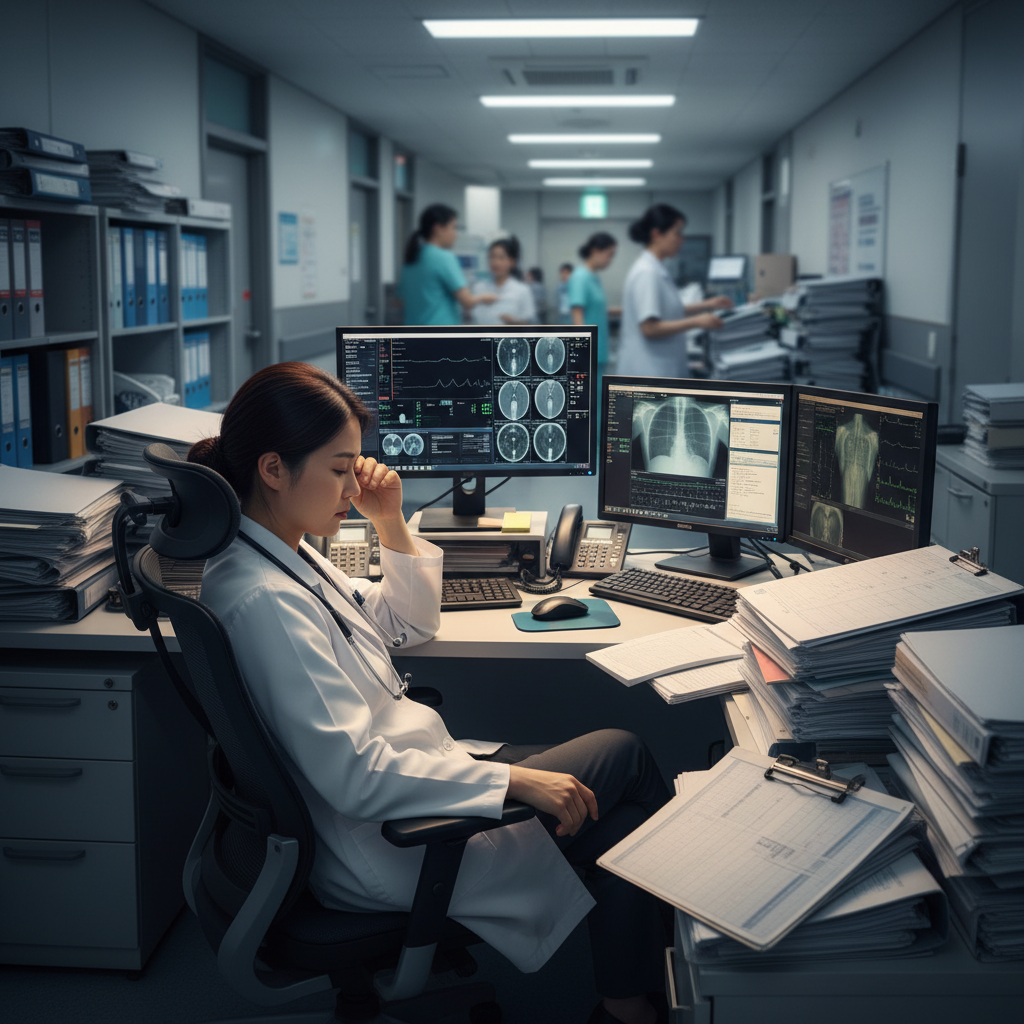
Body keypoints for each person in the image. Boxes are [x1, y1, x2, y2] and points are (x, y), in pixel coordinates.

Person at [188, 362, 671, 1024]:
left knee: (621, 819)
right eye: (338, 468)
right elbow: (353, 776)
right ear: (273, 469)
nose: (352, 484)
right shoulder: (264, 599)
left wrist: (388, 520)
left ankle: (627, 1006)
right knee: (627, 755)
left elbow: (404, 623)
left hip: (398, 792)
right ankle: (637, 1004)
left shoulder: (278, 552)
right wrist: (512, 784)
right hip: (390, 837)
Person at [618, 205, 734, 378]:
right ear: (657, 234)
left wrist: (708, 304)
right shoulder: (647, 273)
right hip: (649, 370)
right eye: (677, 233)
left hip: (658, 366)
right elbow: (650, 328)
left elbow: (666, 311)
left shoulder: (656, 269)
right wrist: (697, 321)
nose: (682, 240)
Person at [398, 204, 496, 325]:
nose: (456, 234)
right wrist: (485, 297)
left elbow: (400, 301)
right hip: (439, 334)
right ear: (438, 228)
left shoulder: (412, 257)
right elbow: (467, 302)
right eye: (453, 227)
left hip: (413, 335)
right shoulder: (443, 257)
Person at [569, 233, 619, 376]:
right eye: (609, 255)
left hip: (599, 349)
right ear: (595, 251)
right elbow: (577, 316)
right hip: (588, 353)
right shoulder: (580, 277)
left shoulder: (594, 277)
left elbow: (596, 310)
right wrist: (584, 352)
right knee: (590, 396)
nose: (610, 260)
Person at [471, 237, 537, 325]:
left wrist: (515, 323)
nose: (496, 262)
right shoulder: (479, 288)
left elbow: (529, 322)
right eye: (492, 257)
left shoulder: (522, 290)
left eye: (501, 258)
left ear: (512, 261)